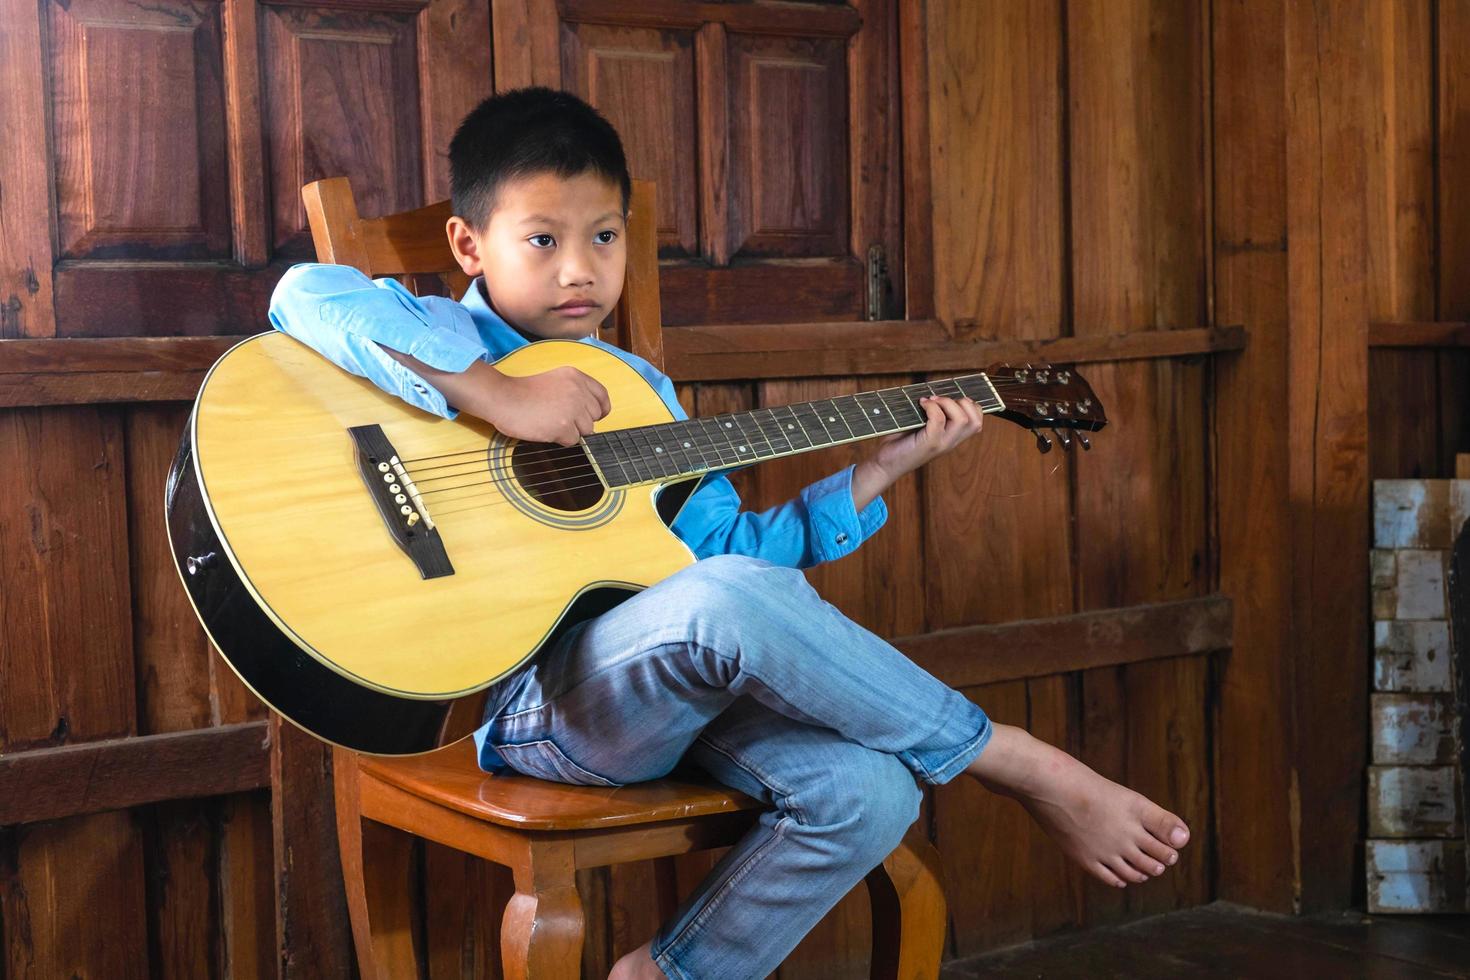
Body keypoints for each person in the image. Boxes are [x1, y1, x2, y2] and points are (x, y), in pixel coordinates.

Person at [268, 87, 1191, 980]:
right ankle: (1013, 760)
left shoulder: (640, 392)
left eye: (604, 237)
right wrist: (499, 396)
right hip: (545, 711)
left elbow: (732, 567)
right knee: (726, 607)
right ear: (469, 245)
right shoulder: (430, 329)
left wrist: (876, 474)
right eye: (542, 241)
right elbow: (305, 293)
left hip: (675, 691)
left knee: (870, 792)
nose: (579, 268)